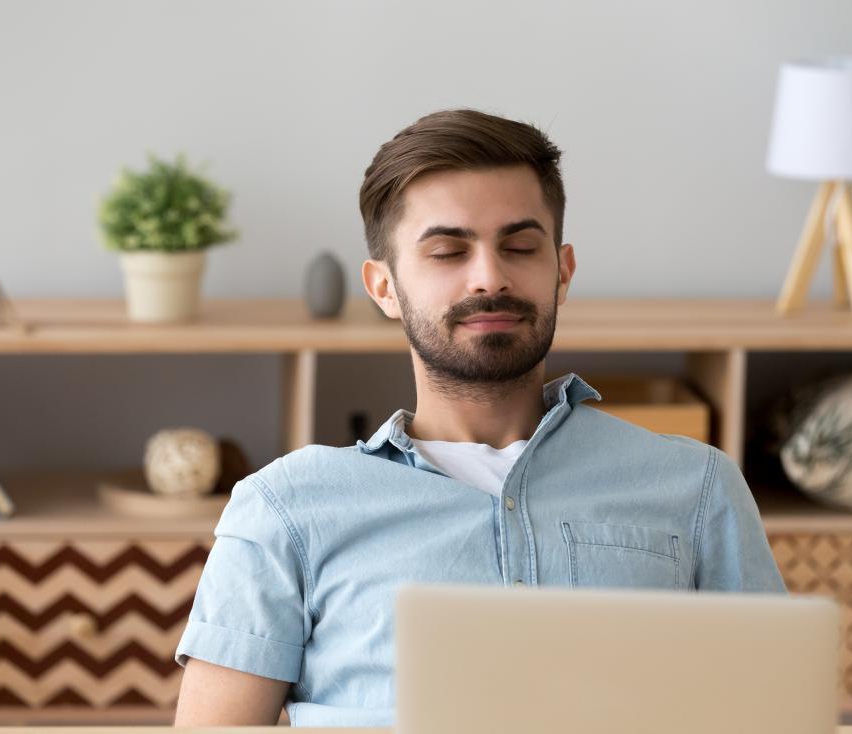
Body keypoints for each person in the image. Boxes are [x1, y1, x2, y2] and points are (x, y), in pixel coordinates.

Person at [173, 109, 786, 727]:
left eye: (520, 247)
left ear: (562, 272)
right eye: (447, 252)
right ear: (384, 288)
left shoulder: (697, 488)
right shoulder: (286, 507)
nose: (490, 277)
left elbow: (776, 716)